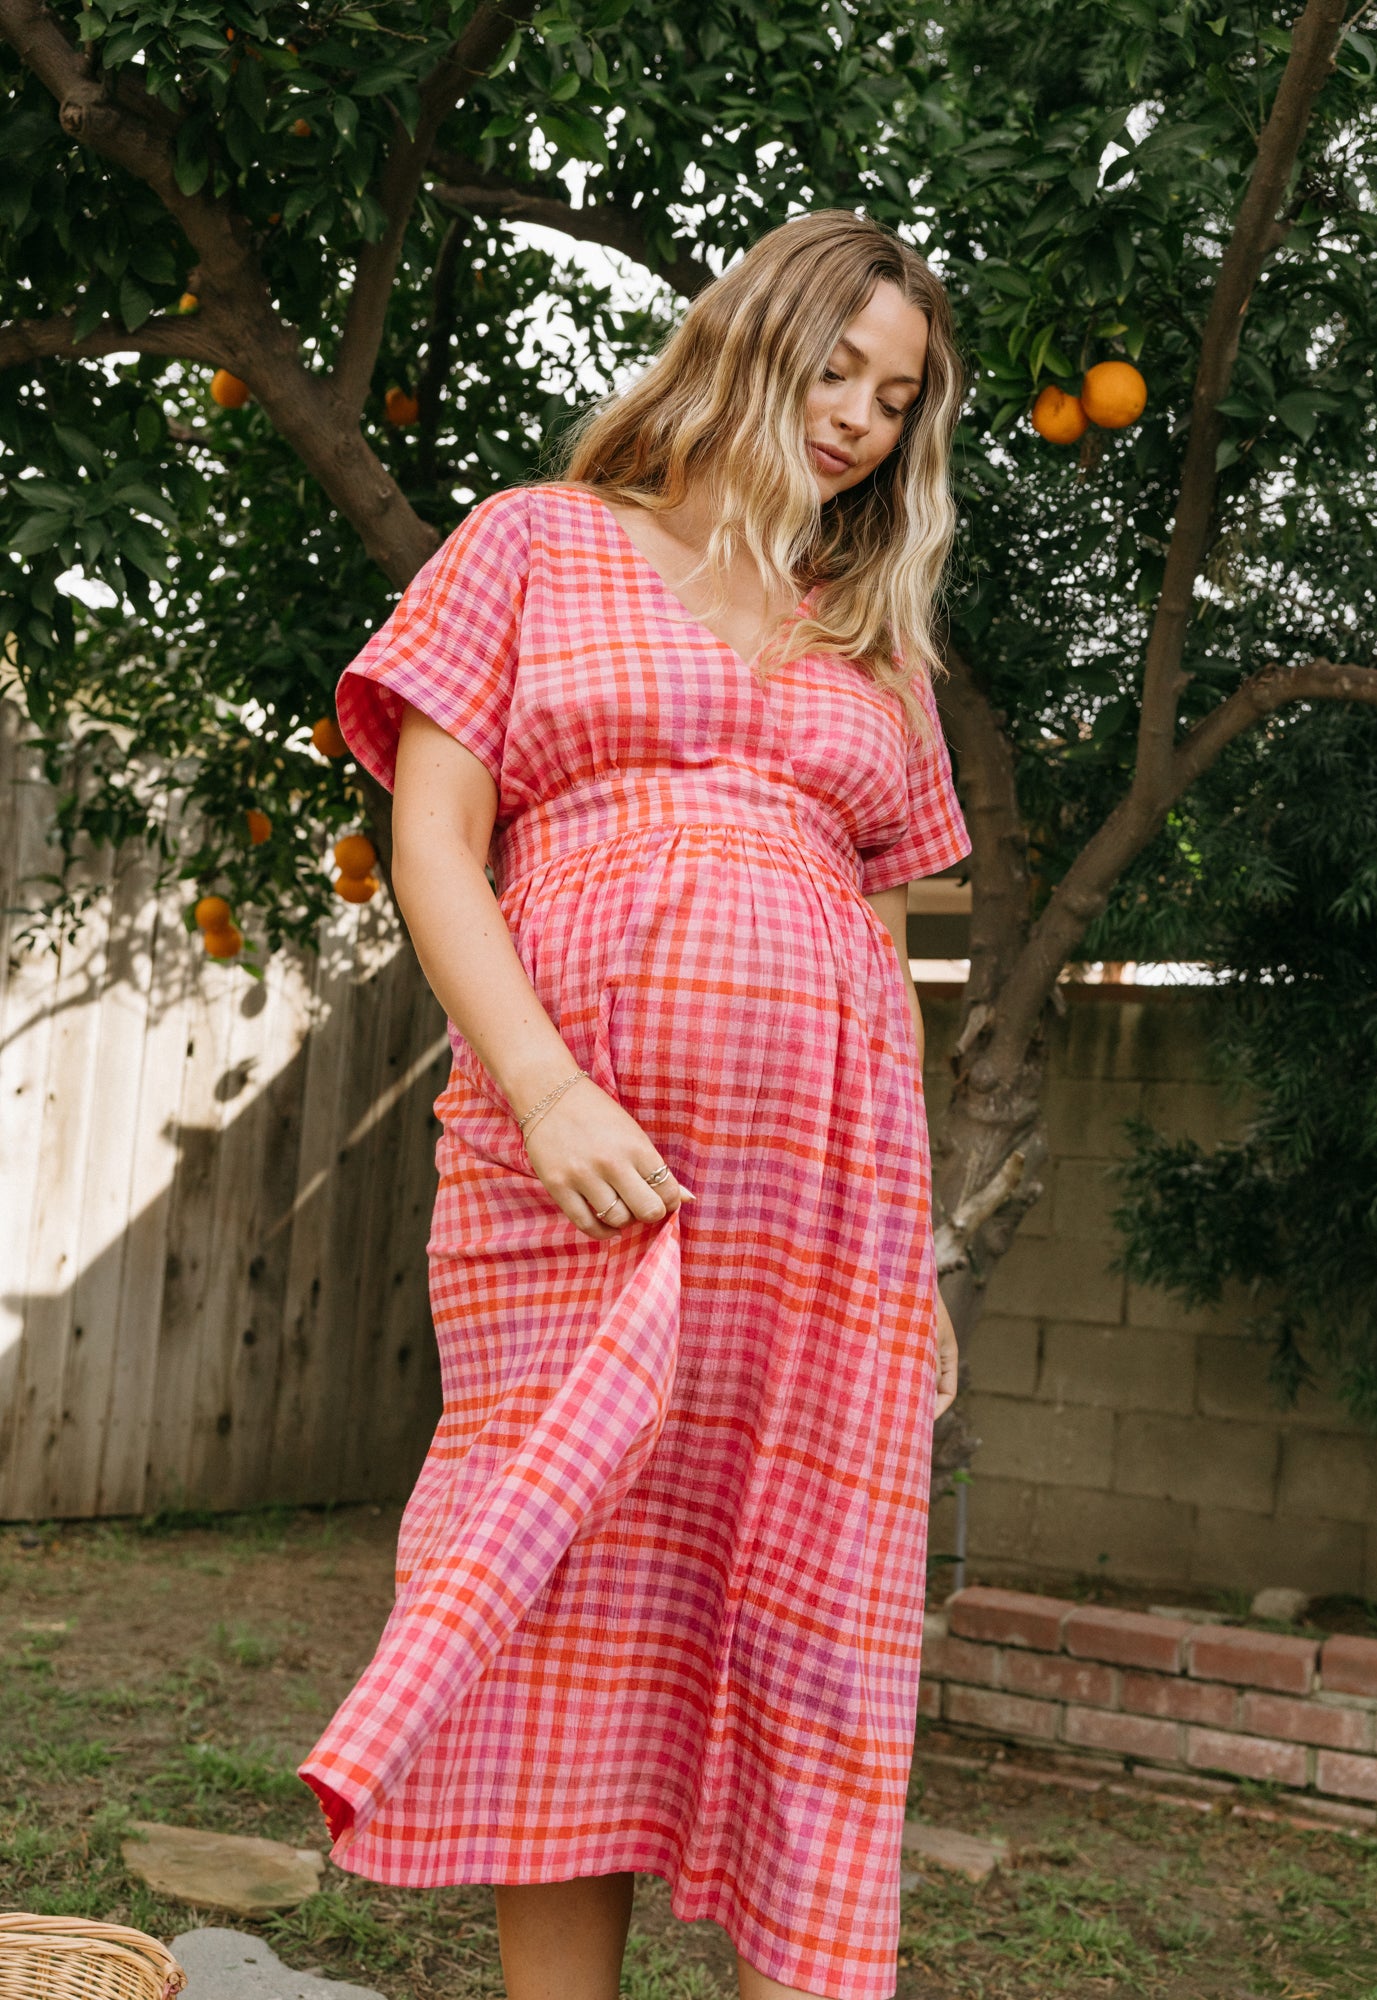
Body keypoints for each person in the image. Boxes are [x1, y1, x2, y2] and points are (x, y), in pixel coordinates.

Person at [299, 208, 972, 2000]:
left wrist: (914, 1264)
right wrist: (546, 1092)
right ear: (749, 339)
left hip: (821, 1212)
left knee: (809, 1605)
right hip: (569, 1173)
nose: (856, 418)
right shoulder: (536, 543)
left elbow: (886, 960)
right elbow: (431, 842)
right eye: (834, 367)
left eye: (895, 398)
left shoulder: (872, 640)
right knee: (575, 1602)